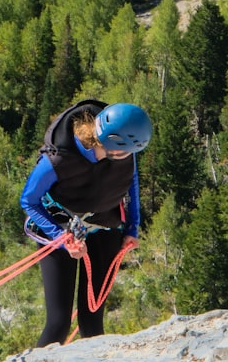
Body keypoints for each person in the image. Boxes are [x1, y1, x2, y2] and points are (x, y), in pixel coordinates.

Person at [20, 99, 152, 347]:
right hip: (60, 229)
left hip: (105, 228)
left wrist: (132, 228)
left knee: (92, 322)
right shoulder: (58, 159)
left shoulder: (123, 150)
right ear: (112, 146)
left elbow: (130, 183)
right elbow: (29, 201)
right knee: (58, 323)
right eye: (125, 152)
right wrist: (62, 238)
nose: (128, 157)